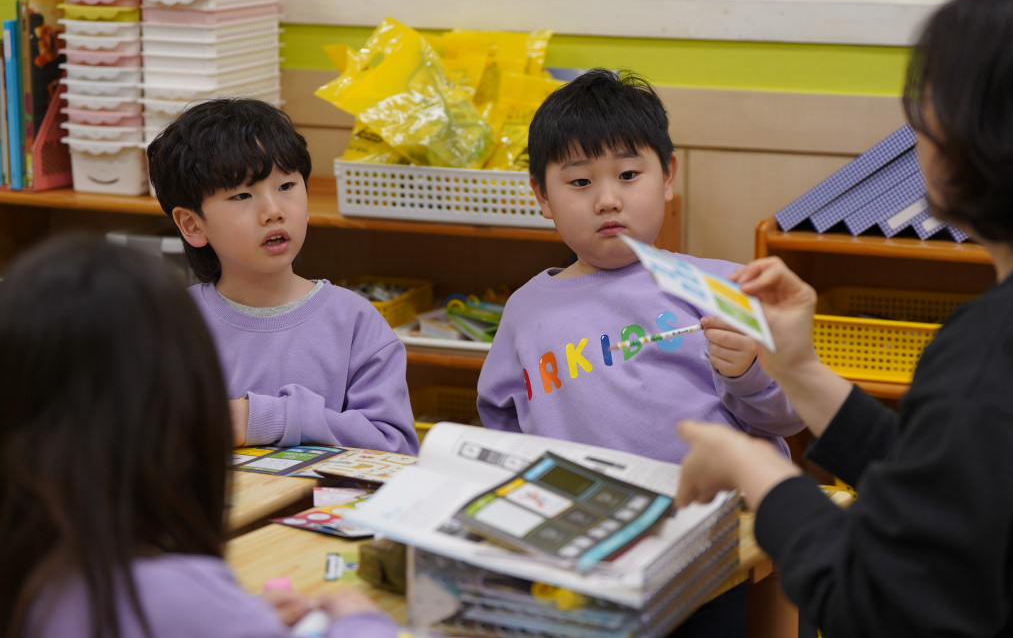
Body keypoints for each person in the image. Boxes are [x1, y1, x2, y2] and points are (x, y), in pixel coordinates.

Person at [675, 0, 1013, 637]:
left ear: (989, 138)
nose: (917, 134)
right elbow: (957, 482)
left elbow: (881, 604)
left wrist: (757, 472)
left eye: (929, 110)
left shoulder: (1002, 348)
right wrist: (799, 369)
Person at [477, 68, 803, 637]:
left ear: (668, 176)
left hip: (713, 547)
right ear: (542, 196)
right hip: (586, 555)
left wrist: (750, 372)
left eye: (629, 175)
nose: (608, 199)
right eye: (580, 182)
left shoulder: (721, 287)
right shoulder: (526, 311)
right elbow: (500, 419)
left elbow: (788, 416)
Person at [0, 234, 398, 638]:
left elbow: (393, 443)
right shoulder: (165, 592)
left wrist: (237, 616)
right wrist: (360, 622)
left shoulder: (38, 571)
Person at [147, 98, 418, 454]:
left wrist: (264, 418)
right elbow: (141, 438)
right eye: (242, 195)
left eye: (286, 186)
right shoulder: (172, 326)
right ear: (192, 225)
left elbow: (396, 449)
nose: (273, 211)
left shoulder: (355, 322)